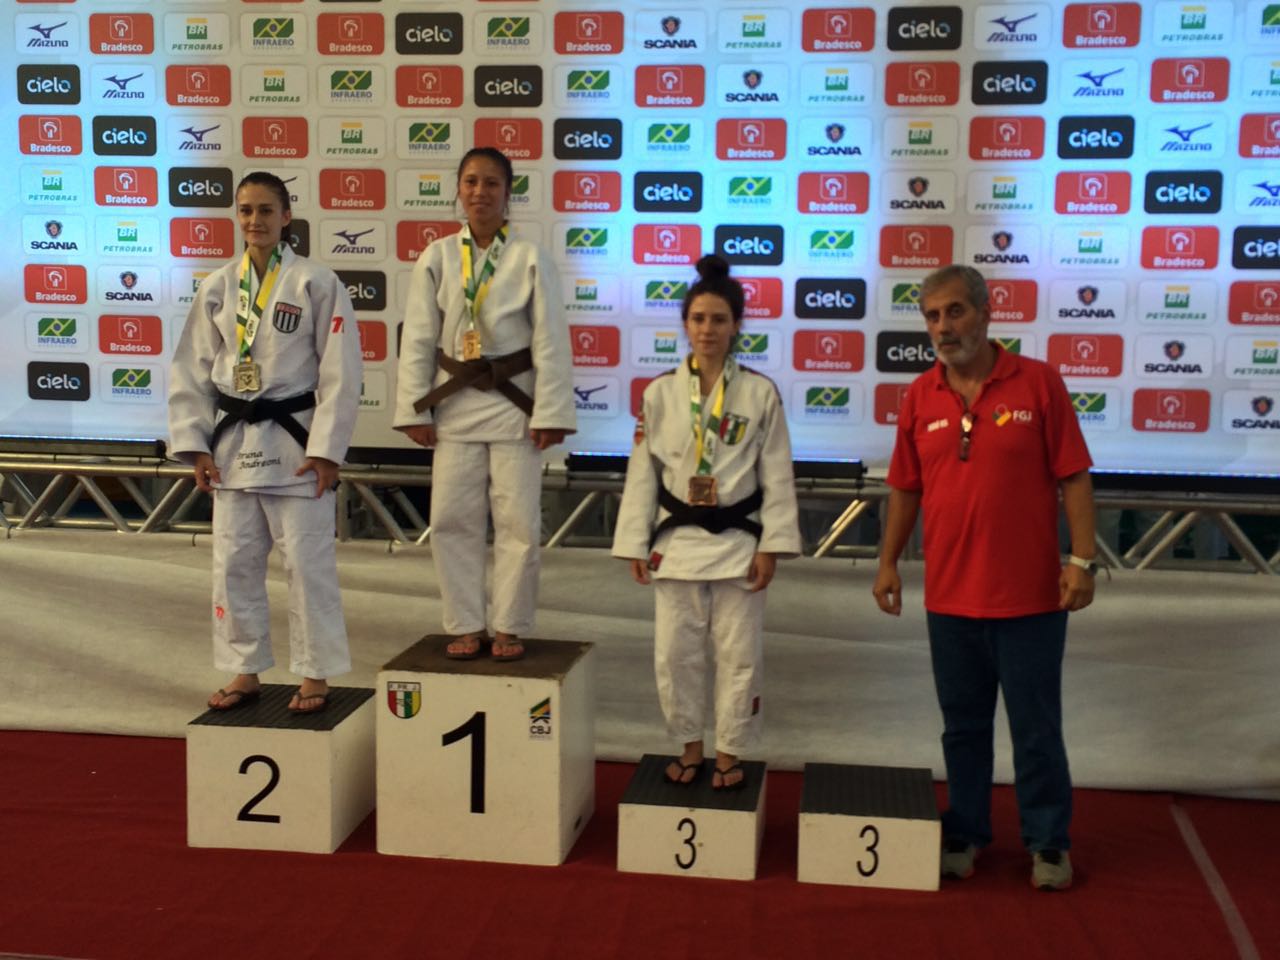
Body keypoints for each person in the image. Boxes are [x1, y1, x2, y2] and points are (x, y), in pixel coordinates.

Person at [872, 264, 1097, 891]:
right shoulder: (920, 396)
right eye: (932, 316)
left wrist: (1081, 560)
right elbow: (905, 487)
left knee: (1036, 730)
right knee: (963, 730)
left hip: (1031, 601)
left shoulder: (1039, 382)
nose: (943, 327)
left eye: (955, 311)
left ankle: (1048, 843)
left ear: (985, 312)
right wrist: (888, 562)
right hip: (949, 601)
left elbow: (1075, 475)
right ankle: (966, 832)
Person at [168, 171, 363, 714]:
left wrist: (326, 450)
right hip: (233, 445)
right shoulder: (217, 286)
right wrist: (196, 446)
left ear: (286, 217)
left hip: (295, 444)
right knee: (233, 564)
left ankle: (316, 674)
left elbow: (341, 371)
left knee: (307, 564)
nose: (255, 220)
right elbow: (191, 370)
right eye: (246, 210)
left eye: (266, 210)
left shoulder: (315, 282)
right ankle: (245, 669)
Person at [612, 255, 800, 791]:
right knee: (677, 657)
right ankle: (689, 747)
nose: (707, 329)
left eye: (719, 319)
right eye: (698, 319)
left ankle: (730, 752)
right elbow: (643, 473)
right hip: (676, 543)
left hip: (740, 542)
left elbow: (777, 474)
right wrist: (635, 541)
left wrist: (772, 545)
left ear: (737, 325)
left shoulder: (759, 393)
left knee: (739, 656)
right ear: (685, 324)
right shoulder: (659, 393)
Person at [394, 146, 576, 662]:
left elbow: (550, 340)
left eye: (491, 182)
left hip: (514, 403)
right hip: (455, 403)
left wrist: (551, 412)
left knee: (518, 522)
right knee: (452, 518)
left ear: (508, 191)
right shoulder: (437, 257)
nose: (480, 192)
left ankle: (509, 626)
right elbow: (418, 338)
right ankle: (466, 623)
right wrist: (414, 411)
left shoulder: (531, 257)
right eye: (471, 181)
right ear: (458, 189)